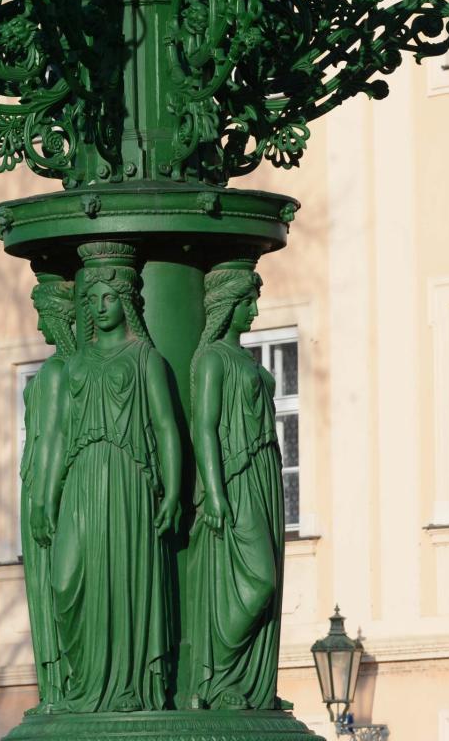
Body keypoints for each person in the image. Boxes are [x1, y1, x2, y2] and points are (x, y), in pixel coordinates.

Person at [37, 242, 181, 713]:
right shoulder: (76, 364)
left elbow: (166, 427)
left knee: (124, 584)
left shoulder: (146, 360)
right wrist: (46, 496)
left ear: (128, 302)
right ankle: (84, 685)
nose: (99, 308)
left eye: (109, 298)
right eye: (92, 299)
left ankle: (126, 687)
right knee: (66, 580)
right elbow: (60, 434)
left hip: (128, 483)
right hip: (81, 480)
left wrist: (172, 491)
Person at [185, 260, 284, 710]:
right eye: (248, 303)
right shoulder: (213, 359)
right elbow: (203, 426)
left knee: (268, 582)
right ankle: (218, 676)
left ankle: (249, 684)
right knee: (258, 581)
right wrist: (214, 491)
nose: (255, 311)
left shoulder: (247, 360)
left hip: (263, 474)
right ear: (228, 306)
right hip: (235, 477)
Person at [18, 273, 75, 713]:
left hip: (45, 488)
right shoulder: (61, 370)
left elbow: (54, 436)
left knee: (53, 589)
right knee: (47, 590)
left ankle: (61, 684)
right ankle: (57, 685)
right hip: (41, 483)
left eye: (45, 316)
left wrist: (43, 500)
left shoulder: (59, 371)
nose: (40, 327)